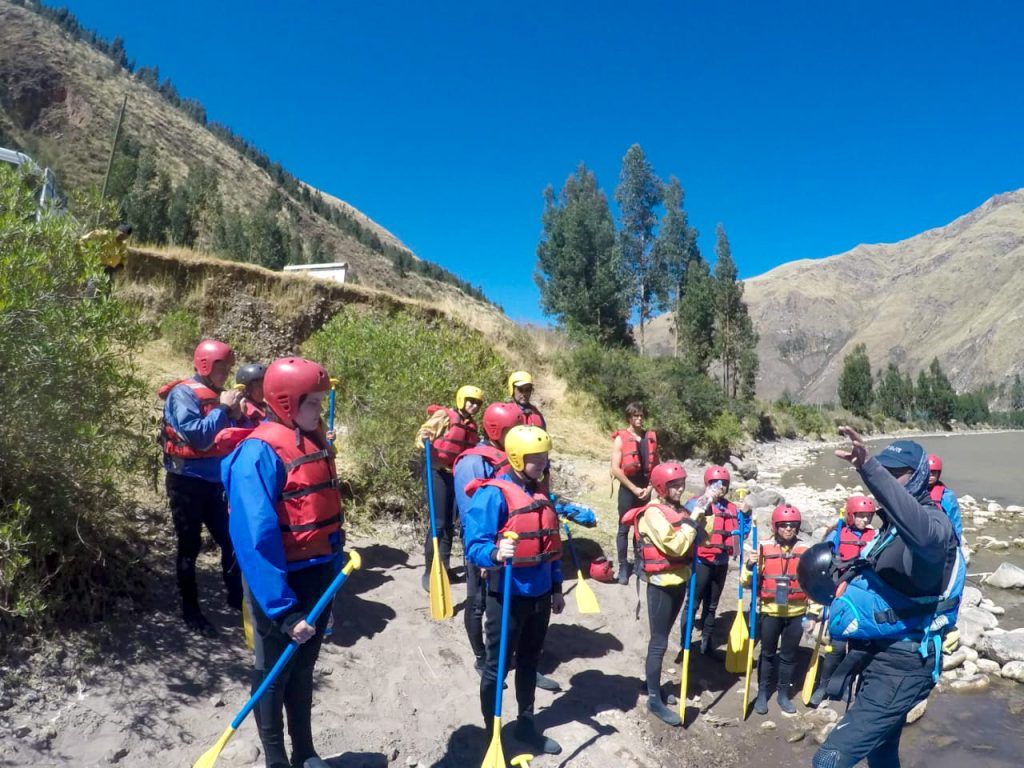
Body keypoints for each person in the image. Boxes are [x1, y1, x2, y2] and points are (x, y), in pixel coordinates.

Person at [805, 430, 964, 768]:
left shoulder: (934, 528)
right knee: (881, 753)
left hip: (904, 665)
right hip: (880, 654)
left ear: (920, 475)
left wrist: (871, 469)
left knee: (827, 761)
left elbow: (922, 531)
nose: (891, 481)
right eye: (886, 472)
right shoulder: (890, 526)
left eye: (897, 474)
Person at [224, 357, 345, 768]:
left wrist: (334, 566)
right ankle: (275, 759)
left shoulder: (312, 439)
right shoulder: (258, 454)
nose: (320, 411)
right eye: (313, 403)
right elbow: (255, 541)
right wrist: (283, 609)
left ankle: (305, 752)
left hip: (319, 577)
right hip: (280, 587)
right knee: (274, 674)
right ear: (286, 402)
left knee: (304, 667)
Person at [463, 425, 564, 756]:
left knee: (531, 660)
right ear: (518, 458)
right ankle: (492, 733)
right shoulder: (493, 493)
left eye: (545, 458)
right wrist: (493, 553)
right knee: (497, 665)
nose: (543, 464)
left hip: (540, 595)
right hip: (505, 595)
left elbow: (552, 548)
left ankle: (526, 723)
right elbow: (475, 544)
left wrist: (557, 588)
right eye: (537, 459)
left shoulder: (539, 492)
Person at [158, 339, 250, 636]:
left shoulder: (221, 396)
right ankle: (191, 610)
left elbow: (236, 435)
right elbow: (199, 437)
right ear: (206, 365)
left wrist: (237, 415)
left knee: (231, 541)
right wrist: (223, 410)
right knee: (189, 546)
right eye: (222, 367)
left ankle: (236, 599)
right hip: (186, 483)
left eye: (228, 367)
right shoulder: (182, 393)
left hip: (215, 482)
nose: (227, 373)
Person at [621, 461, 712, 727]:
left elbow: (702, 540)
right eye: (673, 484)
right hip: (661, 584)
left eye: (681, 483)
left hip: (680, 580)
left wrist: (701, 515)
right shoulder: (653, 513)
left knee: (663, 639)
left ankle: (654, 684)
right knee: (659, 642)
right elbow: (674, 545)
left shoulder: (680, 510)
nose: (680, 488)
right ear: (661, 486)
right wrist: (692, 521)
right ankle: (653, 698)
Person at [452, 402, 524, 673]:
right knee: (478, 600)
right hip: (482, 542)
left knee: (503, 599)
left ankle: (503, 653)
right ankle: (481, 657)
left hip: (508, 542)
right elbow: (471, 511)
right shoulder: (473, 462)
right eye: (513, 429)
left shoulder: (511, 456)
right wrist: (484, 553)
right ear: (498, 430)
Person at [807, 496, 878, 708]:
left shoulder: (875, 536)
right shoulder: (836, 534)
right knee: (835, 648)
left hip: (862, 597)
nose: (865, 520)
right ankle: (823, 685)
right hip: (839, 594)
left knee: (856, 648)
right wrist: (815, 607)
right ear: (850, 515)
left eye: (868, 516)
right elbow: (820, 567)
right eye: (860, 516)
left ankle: (846, 685)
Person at [416, 385, 483, 590]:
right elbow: (422, 433)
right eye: (470, 401)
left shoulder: (472, 426)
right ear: (461, 399)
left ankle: (443, 568)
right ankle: (430, 572)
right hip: (437, 472)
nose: (473, 405)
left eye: (477, 403)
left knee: (450, 525)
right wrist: (424, 438)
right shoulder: (444, 416)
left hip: (456, 476)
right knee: (439, 523)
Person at [743, 504, 808, 715]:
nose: (788, 529)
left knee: (789, 656)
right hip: (770, 611)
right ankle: (762, 692)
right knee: (768, 653)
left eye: (792, 525)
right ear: (775, 527)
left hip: (796, 613)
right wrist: (749, 567)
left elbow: (813, 585)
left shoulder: (805, 551)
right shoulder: (762, 548)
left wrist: (815, 614)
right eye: (783, 525)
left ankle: (782, 693)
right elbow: (747, 583)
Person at [688, 465, 746, 658]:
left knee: (711, 606)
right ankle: (685, 642)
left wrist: (746, 515)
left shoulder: (732, 509)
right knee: (693, 604)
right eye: (716, 484)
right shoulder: (698, 502)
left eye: (724, 485)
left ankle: (706, 643)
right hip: (701, 561)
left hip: (720, 563)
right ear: (708, 484)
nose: (720, 488)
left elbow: (741, 533)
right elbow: (688, 518)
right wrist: (705, 502)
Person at [610, 402, 659, 585]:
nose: (639, 419)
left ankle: (639, 565)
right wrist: (633, 488)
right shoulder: (621, 439)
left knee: (641, 530)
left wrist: (650, 488)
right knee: (623, 528)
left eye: (641, 415)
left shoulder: (650, 437)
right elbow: (615, 469)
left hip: (645, 489)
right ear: (629, 417)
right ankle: (623, 566)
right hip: (628, 489)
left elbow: (656, 466)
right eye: (635, 415)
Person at [927, 454, 964, 539]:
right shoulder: (916, 491)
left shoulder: (947, 496)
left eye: (933, 473)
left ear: (938, 474)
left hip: (939, 535)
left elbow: (954, 519)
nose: (930, 476)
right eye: (928, 473)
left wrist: (957, 541)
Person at [236, 363, 268, 428]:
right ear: (247, 389)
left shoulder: (262, 406)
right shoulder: (249, 411)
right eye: (259, 386)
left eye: (263, 385)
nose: (263, 389)